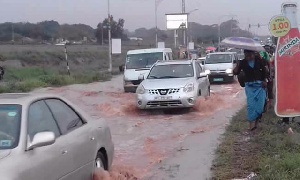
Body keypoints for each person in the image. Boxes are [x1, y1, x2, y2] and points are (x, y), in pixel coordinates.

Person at [233, 49, 269, 131]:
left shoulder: (260, 61)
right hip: (249, 86)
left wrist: (265, 80)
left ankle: (256, 124)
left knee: (260, 106)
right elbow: (235, 72)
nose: (248, 57)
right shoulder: (242, 62)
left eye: (250, 55)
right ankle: (251, 126)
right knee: (251, 105)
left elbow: (265, 72)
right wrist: (237, 65)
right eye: (246, 55)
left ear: (254, 54)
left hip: (260, 86)